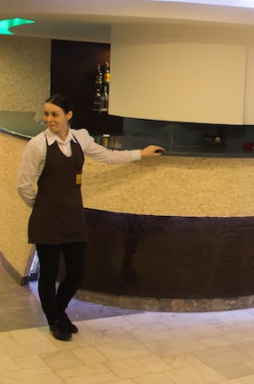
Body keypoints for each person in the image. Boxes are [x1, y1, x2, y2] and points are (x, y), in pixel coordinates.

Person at [16, 93, 165, 341]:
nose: (49, 119)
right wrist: (40, 207)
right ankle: (54, 320)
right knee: (49, 274)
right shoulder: (37, 145)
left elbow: (108, 156)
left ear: (68, 115)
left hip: (73, 216)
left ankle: (59, 311)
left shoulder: (80, 138)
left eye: (55, 114)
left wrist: (141, 154)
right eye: (46, 114)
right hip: (47, 219)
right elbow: (23, 185)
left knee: (77, 272)